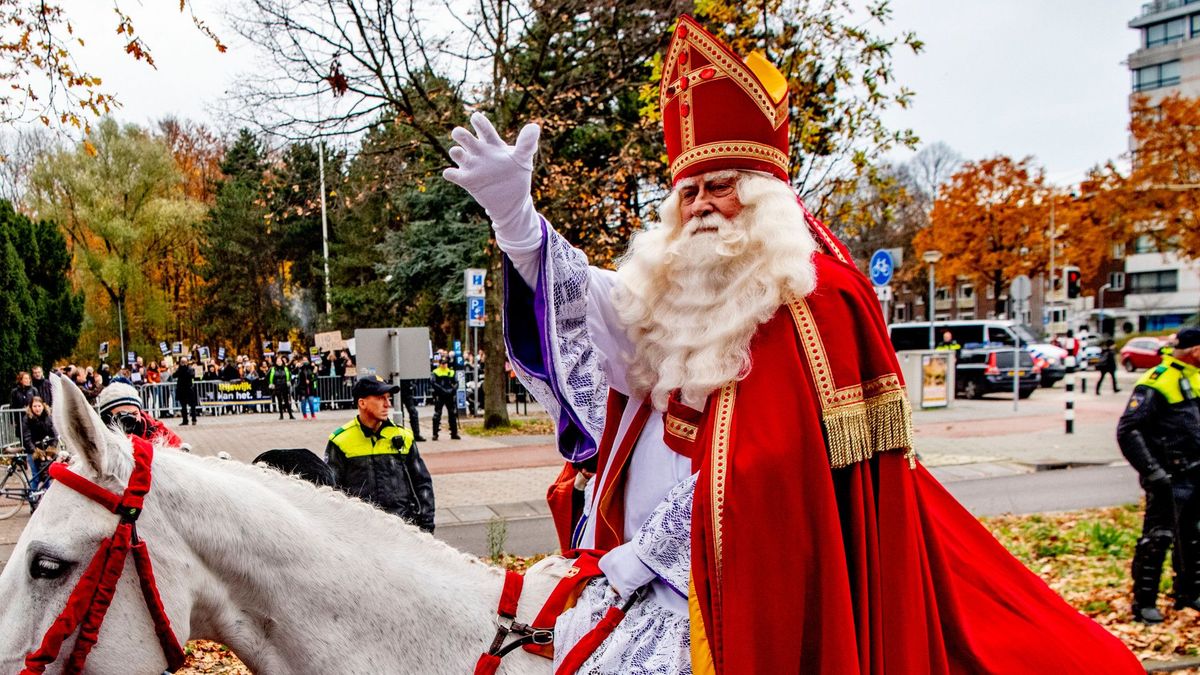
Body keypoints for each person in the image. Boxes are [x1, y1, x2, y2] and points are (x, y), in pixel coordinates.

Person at [444, 15, 1141, 673]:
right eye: (688, 193)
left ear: (766, 195)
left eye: (722, 187)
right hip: (641, 585)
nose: (702, 206)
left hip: (745, 599)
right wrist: (517, 222)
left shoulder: (816, 300)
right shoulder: (669, 289)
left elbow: (778, 476)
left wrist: (649, 554)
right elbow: (590, 312)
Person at [1116, 326, 1200, 623]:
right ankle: (1144, 603)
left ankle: (1189, 593)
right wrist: (1152, 471)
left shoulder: (1194, 378)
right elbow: (1128, 430)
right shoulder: (1156, 381)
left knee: (1193, 536)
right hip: (1168, 475)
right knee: (1157, 538)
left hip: (1194, 471)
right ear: (1196, 352)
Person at [324, 375, 435, 532]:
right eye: (380, 398)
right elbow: (330, 491)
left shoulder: (404, 436)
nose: (387, 404)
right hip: (361, 532)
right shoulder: (340, 440)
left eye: (388, 398)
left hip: (401, 529)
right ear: (362, 403)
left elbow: (422, 483)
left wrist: (426, 525)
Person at [96, 381, 185, 449]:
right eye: (122, 414)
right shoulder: (96, 441)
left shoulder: (157, 432)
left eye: (134, 413)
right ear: (106, 418)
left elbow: (180, 452)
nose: (130, 419)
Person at [21, 396, 57, 493]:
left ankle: (47, 500)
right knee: (36, 477)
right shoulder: (27, 418)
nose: (37, 408)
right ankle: (32, 499)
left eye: (39, 406)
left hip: (46, 450)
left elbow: (54, 435)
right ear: (31, 407)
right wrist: (36, 452)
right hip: (33, 451)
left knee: (46, 477)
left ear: (43, 406)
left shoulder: (48, 417)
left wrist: (51, 451)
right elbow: (27, 438)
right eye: (35, 406)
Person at [429, 355, 459, 440]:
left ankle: (454, 433)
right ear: (439, 364)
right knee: (437, 414)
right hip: (440, 395)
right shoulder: (435, 372)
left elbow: (456, 382)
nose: (444, 365)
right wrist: (443, 390)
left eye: (445, 363)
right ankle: (435, 434)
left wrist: (452, 390)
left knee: (452, 414)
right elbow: (433, 383)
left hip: (449, 395)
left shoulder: (451, 372)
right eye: (442, 363)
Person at [173, 357, 199, 426]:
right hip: (181, 390)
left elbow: (192, 375)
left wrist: (184, 368)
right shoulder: (179, 369)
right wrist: (178, 369)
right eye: (182, 361)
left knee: (192, 406)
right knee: (183, 407)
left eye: (184, 361)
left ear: (187, 362)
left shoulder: (190, 368)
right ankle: (185, 420)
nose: (183, 363)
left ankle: (194, 419)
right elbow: (174, 376)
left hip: (189, 389)